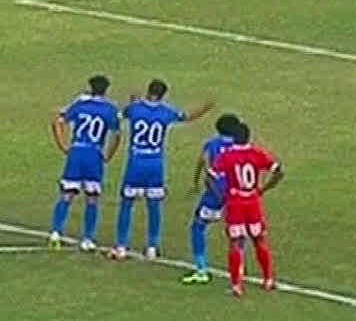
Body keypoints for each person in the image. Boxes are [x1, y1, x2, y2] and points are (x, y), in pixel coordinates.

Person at [113, 79, 212, 261]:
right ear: (163, 95)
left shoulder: (135, 109)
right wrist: (205, 108)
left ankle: (121, 246)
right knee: (154, 205)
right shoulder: (166, 111)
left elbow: (121, 113)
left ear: (148, 90)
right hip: (155, 164)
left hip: (135, 162)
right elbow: (186, 117)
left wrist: (132, 100)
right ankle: (152, 246)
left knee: (127, 203)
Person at [210, 121, 284, 298]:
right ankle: (268, 279)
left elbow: (210, 176)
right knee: (259, 239)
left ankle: (236, 285)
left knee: (235, 242)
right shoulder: (257, 153)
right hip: (253, 201)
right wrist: (263, 189)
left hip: (235, 202)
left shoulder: (227, 156)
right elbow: (279, 171)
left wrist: (221, 195)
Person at [48, 75, 120, 253]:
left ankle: (56, 232)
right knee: (92, 197)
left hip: (77, 152)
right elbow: (117, 135)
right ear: (106, 90)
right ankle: (88, 238)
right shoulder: (110, 109)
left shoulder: (80, 105)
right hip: (94, 154)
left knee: (67, 194)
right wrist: (108, 155)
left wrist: (63, 145)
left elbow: (57, 122)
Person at [183, 112, 242, 285]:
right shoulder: (241, 145)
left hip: (215, 193)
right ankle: (238, 268)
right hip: (238, 193)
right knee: (237, 231)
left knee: (198, 227)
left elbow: (202, 163)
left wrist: (195, 182)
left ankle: (201, 269)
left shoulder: (212, 144)